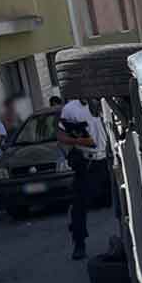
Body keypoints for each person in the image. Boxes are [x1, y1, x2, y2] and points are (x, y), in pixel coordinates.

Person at [57, 99, 108, 260]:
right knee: (80, 205)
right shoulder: (71, 108)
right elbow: (60, 135)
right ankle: (79, 243)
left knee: (110, 201)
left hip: (108, 158)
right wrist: (78, 141)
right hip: (87, 162)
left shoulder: (105, 99)